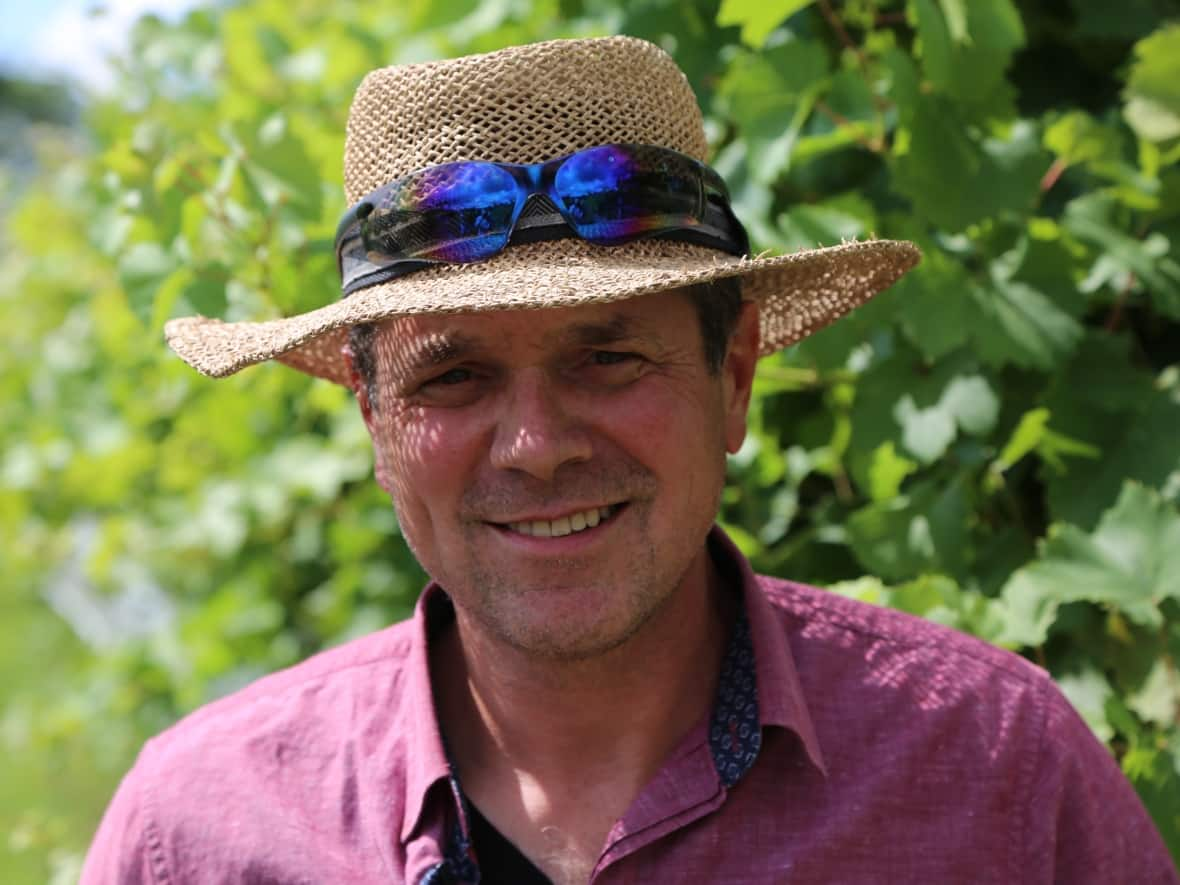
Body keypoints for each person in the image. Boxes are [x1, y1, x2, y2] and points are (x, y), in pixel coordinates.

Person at [83, 36, 1175, 885]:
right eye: (452, 377)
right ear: (373, 418)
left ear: (734, 376)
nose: (538, 445)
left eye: (608, 358)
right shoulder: (200, 832)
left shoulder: (1000, 775)